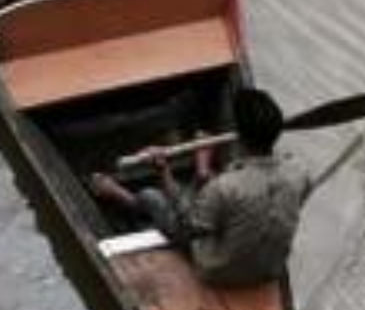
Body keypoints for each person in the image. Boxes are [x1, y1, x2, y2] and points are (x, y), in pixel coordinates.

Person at [88, 87, 316, 289]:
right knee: (225, 199)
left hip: (218, 271)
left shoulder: (224, 187)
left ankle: (121, 194)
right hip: (271, 270)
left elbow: (183, 229)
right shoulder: (300, 172)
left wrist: (163, 171)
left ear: (238, 135)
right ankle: (203, 170)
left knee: (152, 197)